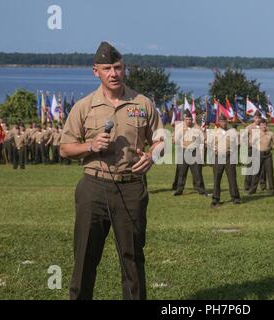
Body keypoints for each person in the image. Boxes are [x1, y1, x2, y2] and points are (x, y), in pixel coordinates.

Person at [60, 41, 163, 300]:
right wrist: (90, 145)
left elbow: (162, 139)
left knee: (132, 257)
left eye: (118, 67)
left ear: (124, 68)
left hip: (131, 187)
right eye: (107, 68)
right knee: (85, 256)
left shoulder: (142, 103)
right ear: (96, 71)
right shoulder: (84, 107)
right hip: (93, 187)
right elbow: (65, 148)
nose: (114, 73)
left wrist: (153, 155)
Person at [172, 109, 207, 196]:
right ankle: (179, 190)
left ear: (192, 120)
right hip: (183, 151)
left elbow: (203, 140)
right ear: (184, 120)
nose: (188, 121)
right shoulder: (180, 128)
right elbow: (175, 141)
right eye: (187, 119)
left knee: (197, 173)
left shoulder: (197, 128)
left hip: (194, 152)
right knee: (181, 173)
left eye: (190, 119)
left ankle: (201, 190)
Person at [210, 114, 241, 208]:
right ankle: (215, 199)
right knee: (217, 178)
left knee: (232, 178)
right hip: (218, 156)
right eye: (221, 121)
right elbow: (209, 145)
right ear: (219, 122)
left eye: (225, 121)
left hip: (229, 157)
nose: (223, 123)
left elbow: (238, 144)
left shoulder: (233, 132)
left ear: (227, 122)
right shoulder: (214, 132)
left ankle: (235, 198)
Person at [248, 119, 274, 195]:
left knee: (270, 172)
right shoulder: (256, 133)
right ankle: (253, 189)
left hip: (268, 155)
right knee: (256, 172)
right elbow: (250, 143)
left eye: (265, 125)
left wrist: (271, 148)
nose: (263, 126)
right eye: (262, 125)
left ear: (266, 125)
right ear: (260, 126)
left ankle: (272, 189)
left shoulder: (270, 133)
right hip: (258, 154)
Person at [244, 110, 262, 192]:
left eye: (259, 118)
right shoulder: (249, 127)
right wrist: (248, 144)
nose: (258, 119)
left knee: (258, 169)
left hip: (260, 150)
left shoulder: (263, 127)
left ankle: (255, 186)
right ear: (254, 118)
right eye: (256, 118)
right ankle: (247, 186)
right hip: (252, 149)